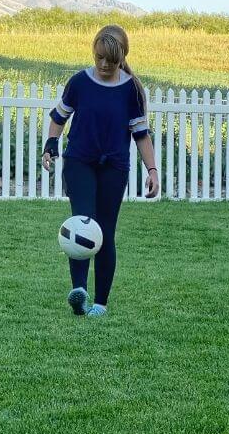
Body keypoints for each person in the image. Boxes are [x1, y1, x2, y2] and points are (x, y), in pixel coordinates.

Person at [41, 24, 159, 317]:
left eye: (111, 60)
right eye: (99, 58)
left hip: (114, 167)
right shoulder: (79, 82)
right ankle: (79, 292)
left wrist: (152, 170)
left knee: (105, 231)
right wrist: (51, 143)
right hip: (79, 161)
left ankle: (100, 303)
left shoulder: (132, 89)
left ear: (122, 57)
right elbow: (59, 117)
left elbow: (141, 134)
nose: (104, 65)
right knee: (82, 222)